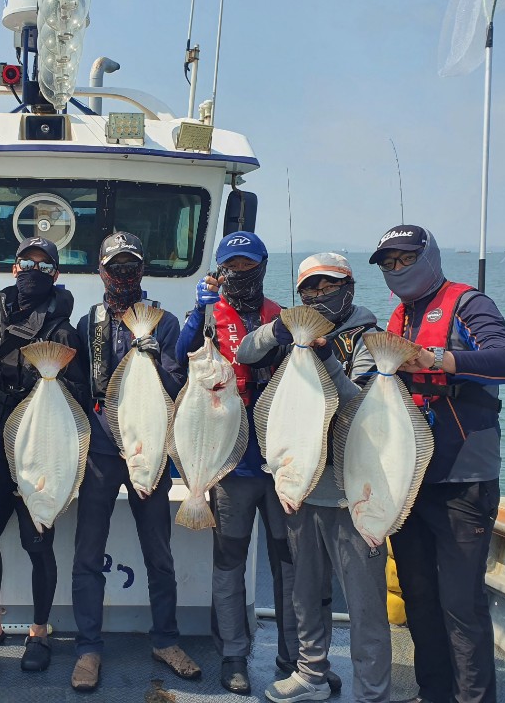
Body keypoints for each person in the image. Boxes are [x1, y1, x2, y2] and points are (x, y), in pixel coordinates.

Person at [369, 226, 505, 703]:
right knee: (419, 599)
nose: (396, 269)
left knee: (461, 605)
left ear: (428, 256)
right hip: (409, 482)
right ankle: (432, 692)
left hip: (463, 480)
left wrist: (441, 359)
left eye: (404, 258)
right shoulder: (396, 320)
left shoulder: (468, 303)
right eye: (388, 263)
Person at [236, 253, 391, 702]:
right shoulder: (296, 335)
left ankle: (372, 693)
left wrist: (328, 362)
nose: (319, 295)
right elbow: (246, 351)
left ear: (350, 287)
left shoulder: (370, 338)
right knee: (304, 592)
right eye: (310, 289)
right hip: (301, 487)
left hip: (353, 493)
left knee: (364, 604)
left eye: (328, 286)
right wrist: (280, 331)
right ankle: (312, 675)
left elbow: (361, 408)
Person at [174, 231, 311, 696]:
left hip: (281, 463)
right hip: (228, 467)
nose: (240, 274)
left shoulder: (283, 317)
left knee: (289, 565)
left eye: (248, 265)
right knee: (229, 564)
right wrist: (197, 311)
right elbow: (181, 356)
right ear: (219, 271)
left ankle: (294, 656)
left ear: (263, 266)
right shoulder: (210, 313)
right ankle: (233, 654)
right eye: (231, 266)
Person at [70, 231, 201, 692]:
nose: (123, 276)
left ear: (142, 270)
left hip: (150, 450)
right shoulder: (88, 323)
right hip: (103, 453)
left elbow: (176, 383)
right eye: (115, 267)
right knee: (88, 551)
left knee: (158, 551)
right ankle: (88, 647)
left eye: (131, 267)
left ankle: (165, 638)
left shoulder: (164, 323)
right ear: (101, 271)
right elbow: (81, 388)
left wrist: (157, 361)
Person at [0, 237, 88, 672]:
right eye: (27, 262)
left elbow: (81, 396)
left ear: (55, 275)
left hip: (39, 443)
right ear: (13, 268)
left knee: (37, 540)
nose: (33, 271)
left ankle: (40, 630)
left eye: (44, 266)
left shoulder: (63, 330)